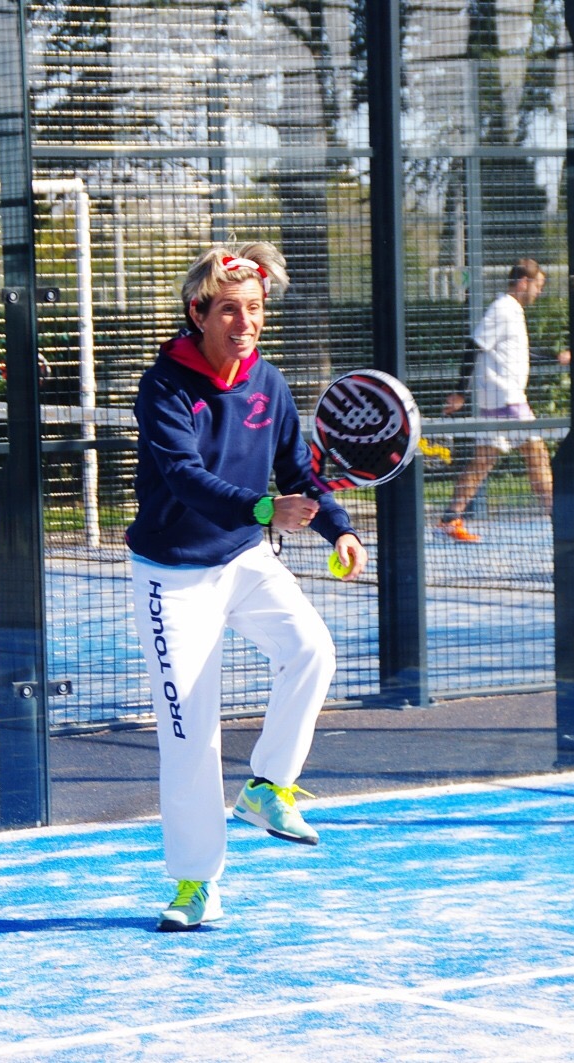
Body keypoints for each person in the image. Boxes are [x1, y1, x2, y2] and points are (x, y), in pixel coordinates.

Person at [126, 242, 367, 932]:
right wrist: (264, 510)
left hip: (243, 558)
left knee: (312, 649)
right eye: (230, 310)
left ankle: (268, 786)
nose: (245, 322)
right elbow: (184, 478)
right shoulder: (164, 385)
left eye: (255, 309)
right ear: (198, 313)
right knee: (190, 733)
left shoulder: (270, 382)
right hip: (172, 575)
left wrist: (339, 529)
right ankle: (196, 883)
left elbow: (298, 471)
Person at [438, 258, 568, 542]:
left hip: (499, 400)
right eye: (538, 285)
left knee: (482, 462)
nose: (539, 292)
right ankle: (561, 521)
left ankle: (450, 519)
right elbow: (474, 345)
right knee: (537, 455)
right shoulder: (503, 309)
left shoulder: (512, 311)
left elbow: (520, 352)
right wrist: (459, 392)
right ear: (523, 282)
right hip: (507, 399)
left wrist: (556, 357)